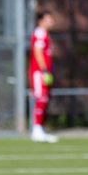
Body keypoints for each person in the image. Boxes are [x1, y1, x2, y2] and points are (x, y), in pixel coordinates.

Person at [29, 11, 58, 143]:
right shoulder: (40, 32)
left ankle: (40, 129)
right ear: (41, 21)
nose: (51, 22)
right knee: (41, 99)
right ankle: (36, 130)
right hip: (39, 73)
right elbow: (38, 51)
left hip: (44, 73)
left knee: (44, 99)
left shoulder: (45, 34)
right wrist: (44, 70)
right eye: (48, 19)